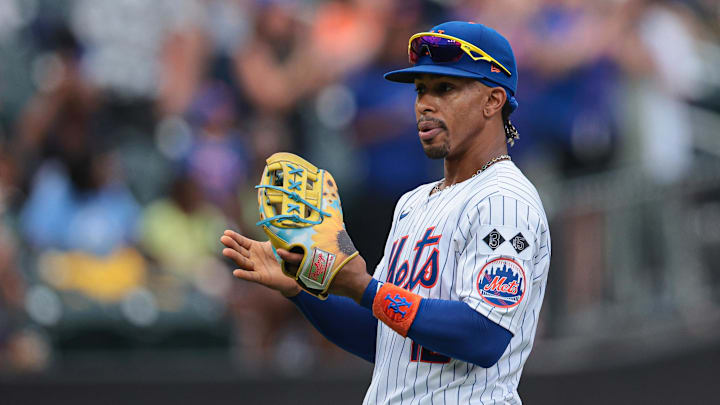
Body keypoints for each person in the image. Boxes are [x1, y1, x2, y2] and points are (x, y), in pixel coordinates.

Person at [221, 21, 550, 404]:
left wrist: (365, 288)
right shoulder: (413, 204)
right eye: (421, 90)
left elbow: (484, 336)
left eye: (445, 88)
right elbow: (384, 341)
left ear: (493, 101)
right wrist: (302, 289)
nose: (426, 103)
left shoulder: (504, 200)